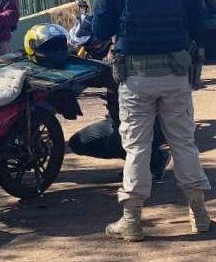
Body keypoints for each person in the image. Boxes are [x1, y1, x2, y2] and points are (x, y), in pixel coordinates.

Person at [92, 0, 211, 241]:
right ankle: (199, 213)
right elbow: (200, 28)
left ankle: (131, 221)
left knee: (138, 147)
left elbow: (99, 31)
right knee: (183, 141)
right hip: (175, 76)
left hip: (135, 79)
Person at [66, 11, 169, 181]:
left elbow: (100, 75)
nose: (85, 49)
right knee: (79, 142)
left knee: (120, 141)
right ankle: (140, 160)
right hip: (119, 121)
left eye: (90, 44)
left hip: (149, 121)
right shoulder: (103, 55)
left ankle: (153, 161)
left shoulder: (117, 56)